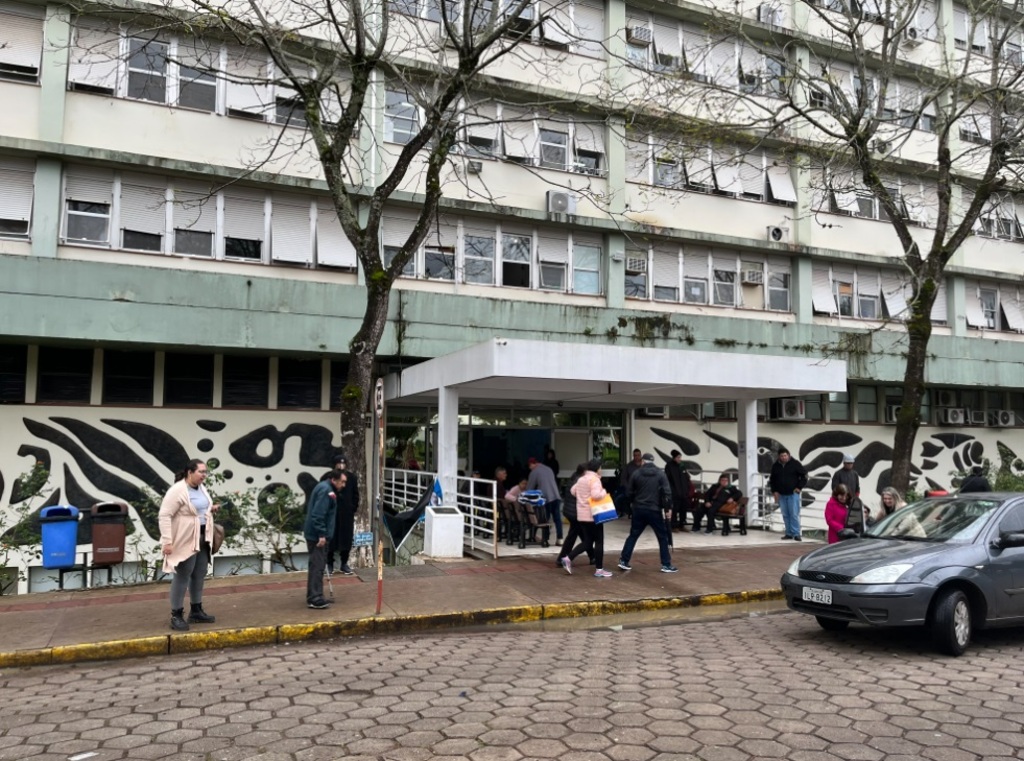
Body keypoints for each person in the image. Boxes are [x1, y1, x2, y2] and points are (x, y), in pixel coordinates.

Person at [159, 458, 220, 631]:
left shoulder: (201, 488)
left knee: (199, 573)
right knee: (183, 574)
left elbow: (199, 507)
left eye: (205, 472)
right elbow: (164, 515)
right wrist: (167, 541)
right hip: (184, 539)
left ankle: (196, 610)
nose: (204, 475)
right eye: (201, 472)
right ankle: (176, 615)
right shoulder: (177, 490)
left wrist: (210, 508)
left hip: (201, 536)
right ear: (190, 472)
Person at [618, 453, 677, 573]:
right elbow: (667, 492)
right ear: (653, 461)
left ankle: (624, 560)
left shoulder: (636, 473)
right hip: (654, 510)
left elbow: (628, 492)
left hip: (638, 509)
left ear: (643, 461)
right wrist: (668, 509)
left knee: (633, 535)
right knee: (662, 537)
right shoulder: (660, 474)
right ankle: (666, 564)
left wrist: (633, 503)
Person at [305, 469, 345, 609]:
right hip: (317, 537)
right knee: (318, 566)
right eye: (342, 481)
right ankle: (315, 598)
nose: (343, 485)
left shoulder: (324, 487)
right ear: (334, 480)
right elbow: (318, 514)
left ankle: (315, 595)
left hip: (315, 534)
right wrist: (322, 534)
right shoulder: (326, 492)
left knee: (317, 565)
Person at [568, 458, 614, 577]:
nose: (601, 470)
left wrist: (583, 497)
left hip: (582, 516)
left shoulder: (581, 479)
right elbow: (595, 495)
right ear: (597, 468)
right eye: (600, 468)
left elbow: (573, 491)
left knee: (588, 542)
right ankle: (599, 569)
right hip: (594, 516)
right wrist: (604, 492)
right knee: (599, 541)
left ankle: (568, 558)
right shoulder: (595, 480)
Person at [556, 463, 593, 571]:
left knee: (582, 535)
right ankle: (563, 558)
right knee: (575, 537)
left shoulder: (573, 478)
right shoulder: (580, 481)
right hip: (576, 513)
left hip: (570, 511)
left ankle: (592, 556)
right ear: (584, 472)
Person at [327, 455, 359, 575]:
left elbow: (356, 495)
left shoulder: (352, 477)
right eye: (338, 464)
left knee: (346, 538)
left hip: (346, 513)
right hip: (332, 513)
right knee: (331, 537)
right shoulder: (328, 477)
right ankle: (329, 564)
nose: (341, 466)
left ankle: (344, 564)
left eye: (343, 464)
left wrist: (352, 508)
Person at [769, 448, 808, 541]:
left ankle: (796, 533)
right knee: (785, 514)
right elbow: (772, 480)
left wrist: (799, 487)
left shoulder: (795, 464)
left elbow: (804, 476)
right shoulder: (775, 466)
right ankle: (788, 533)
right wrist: (774, 491)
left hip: (793, 493)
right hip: (781, 494)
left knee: (794, 514)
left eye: (785, 455)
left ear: (789, 455)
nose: (784, 457)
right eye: (782, 456)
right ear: (779, 456)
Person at [527, 455, 563, 541]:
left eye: (530, 466)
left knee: (545, 518)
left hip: (546, 497)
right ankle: (560, 538)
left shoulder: (534, 472)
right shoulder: (548, 469)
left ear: (532, 464)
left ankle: (545, 538)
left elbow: (530, 488)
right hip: (556, 496)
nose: (530, 468)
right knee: (557, 519)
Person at [664, 450, 692, 531]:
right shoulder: (669, 466)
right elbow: (667, 479)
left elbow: (686, 477)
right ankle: (674, 525)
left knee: (683, 508)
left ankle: (682, 524)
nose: (680, 459)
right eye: (678, 457)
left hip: (683, 492)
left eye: (680, 457)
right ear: (674, 458)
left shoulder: (682, 466)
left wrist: (687, 488)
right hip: (675, 492)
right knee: (675, 509)